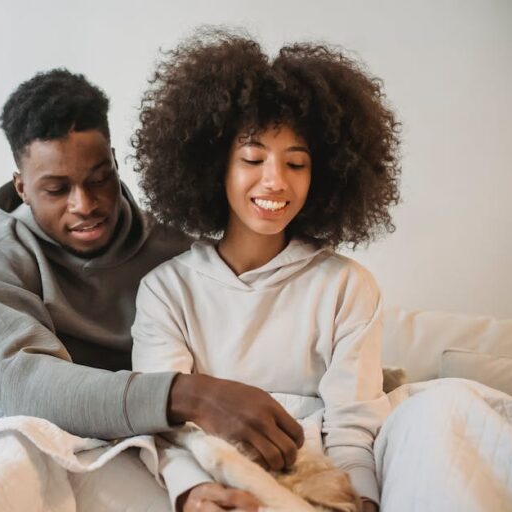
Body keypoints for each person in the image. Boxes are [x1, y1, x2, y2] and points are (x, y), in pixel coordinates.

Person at [0, 68, 306, 498]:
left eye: (99, 178)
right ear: (21, 187)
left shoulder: (178, 250)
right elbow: (25, 386)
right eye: (56, 189)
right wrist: (190, 395)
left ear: (116, 162)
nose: (84, 205)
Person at [130, 30, 401, 512]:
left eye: (296, 163)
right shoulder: (167, 290)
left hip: (321, 478)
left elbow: (353, 425)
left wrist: (361, 499)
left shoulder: (345, 287)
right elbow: (163, 419)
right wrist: (192, 492)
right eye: (253, 159)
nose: (274, 181)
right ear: (216, 167)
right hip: (217, 476)